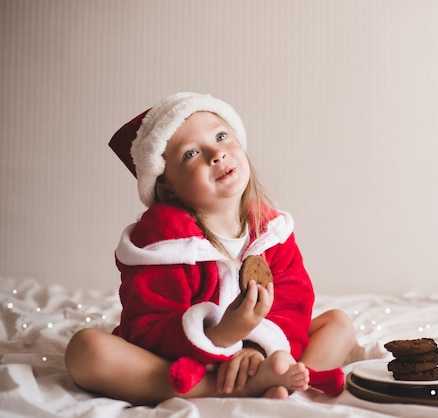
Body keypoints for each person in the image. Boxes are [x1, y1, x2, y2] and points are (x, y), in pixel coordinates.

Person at [64, 92, 356, 405]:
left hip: (262, 351)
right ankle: (234, 387)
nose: (216, 153)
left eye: (221, 136)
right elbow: (147, 328)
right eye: (190, 154)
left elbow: (293, 302)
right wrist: (223, 335)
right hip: (183, 360)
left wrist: (257, 348)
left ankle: (280, 376)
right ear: (167, 187)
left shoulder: (271, 231)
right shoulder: (164, 245)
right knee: (86, 350)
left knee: (338, 323)